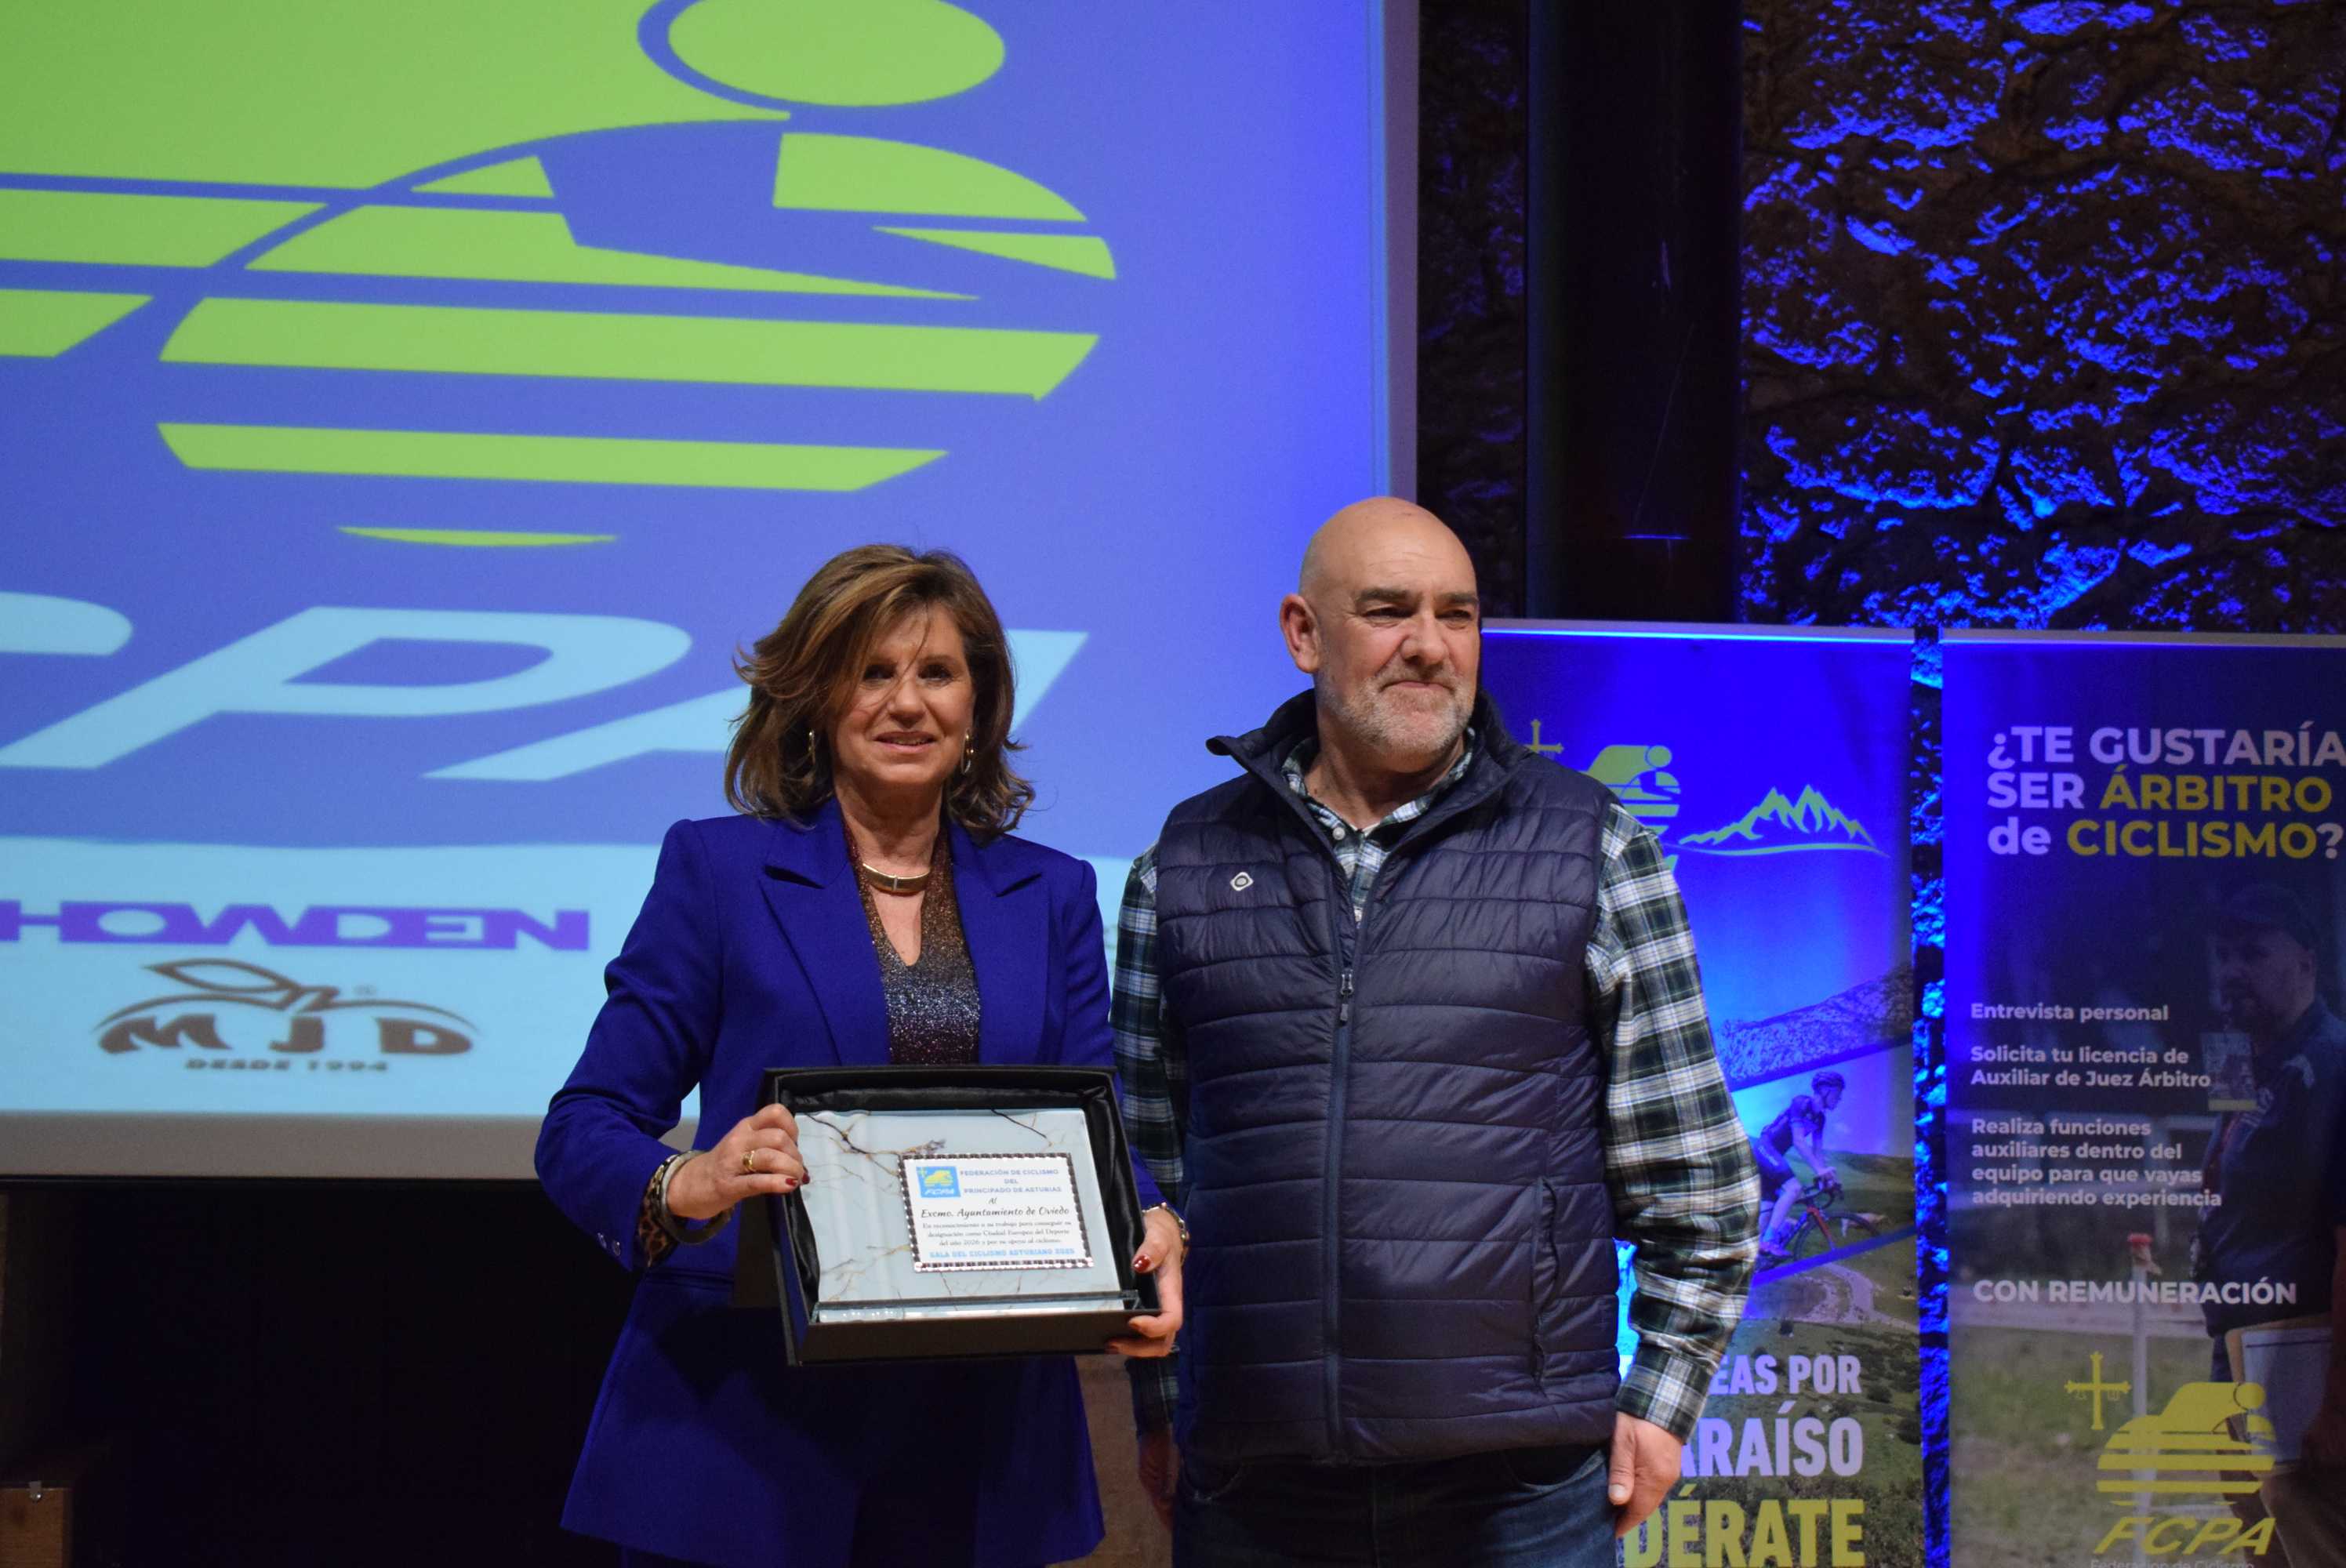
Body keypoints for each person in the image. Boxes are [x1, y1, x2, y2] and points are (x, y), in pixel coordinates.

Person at [1111, 498, 1760, 1566]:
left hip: (1518, 1497)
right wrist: (1163, 1406)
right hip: (1258, 1485)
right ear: (1302, 633)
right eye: (1387, 610)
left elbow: (1694, 1172)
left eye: (1456, 615)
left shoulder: (1593, 848)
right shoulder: (1179, 864)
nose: (1428, 645)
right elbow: (1151, 1195)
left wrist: (1664, 1397)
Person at [536, 545, 1186, 1568]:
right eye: (872, 672)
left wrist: (1148, 1222)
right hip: (745, 1428)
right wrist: (690, 1180)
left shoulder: (1051, 893)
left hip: (979, 1435)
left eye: (936, 673)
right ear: (816, 695)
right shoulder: (719, 872)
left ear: (978, 702)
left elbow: (1091, 1120)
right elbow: (584, 1127)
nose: (906, 703)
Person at [2192, 884, 2346, 1564]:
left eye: (2253, 953)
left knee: (2307, 1521)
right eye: (2223, 954)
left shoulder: (2334, 1066)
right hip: (2236, 1342)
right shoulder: (2237, 1052)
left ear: (2307, 962)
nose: (2232, 971)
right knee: (2258, 1527)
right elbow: (2222, 1175)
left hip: (2303, 1353)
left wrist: (2337, 1402)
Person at [1752, 1070, 1846, 1261]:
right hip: (1765, 1148)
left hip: (1773, 1157)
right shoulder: (1801, 1103)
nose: (1839, 1098)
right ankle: (1769, 1242)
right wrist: (1819, 1171)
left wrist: (1828, 1177)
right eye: (1837, 1094)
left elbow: (1819, 1152)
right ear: (1825, 1091)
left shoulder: (1820, 1119)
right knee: (1793, 1188)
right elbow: (1798, 1141)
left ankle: (1756, 1260)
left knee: (1768, 1208)